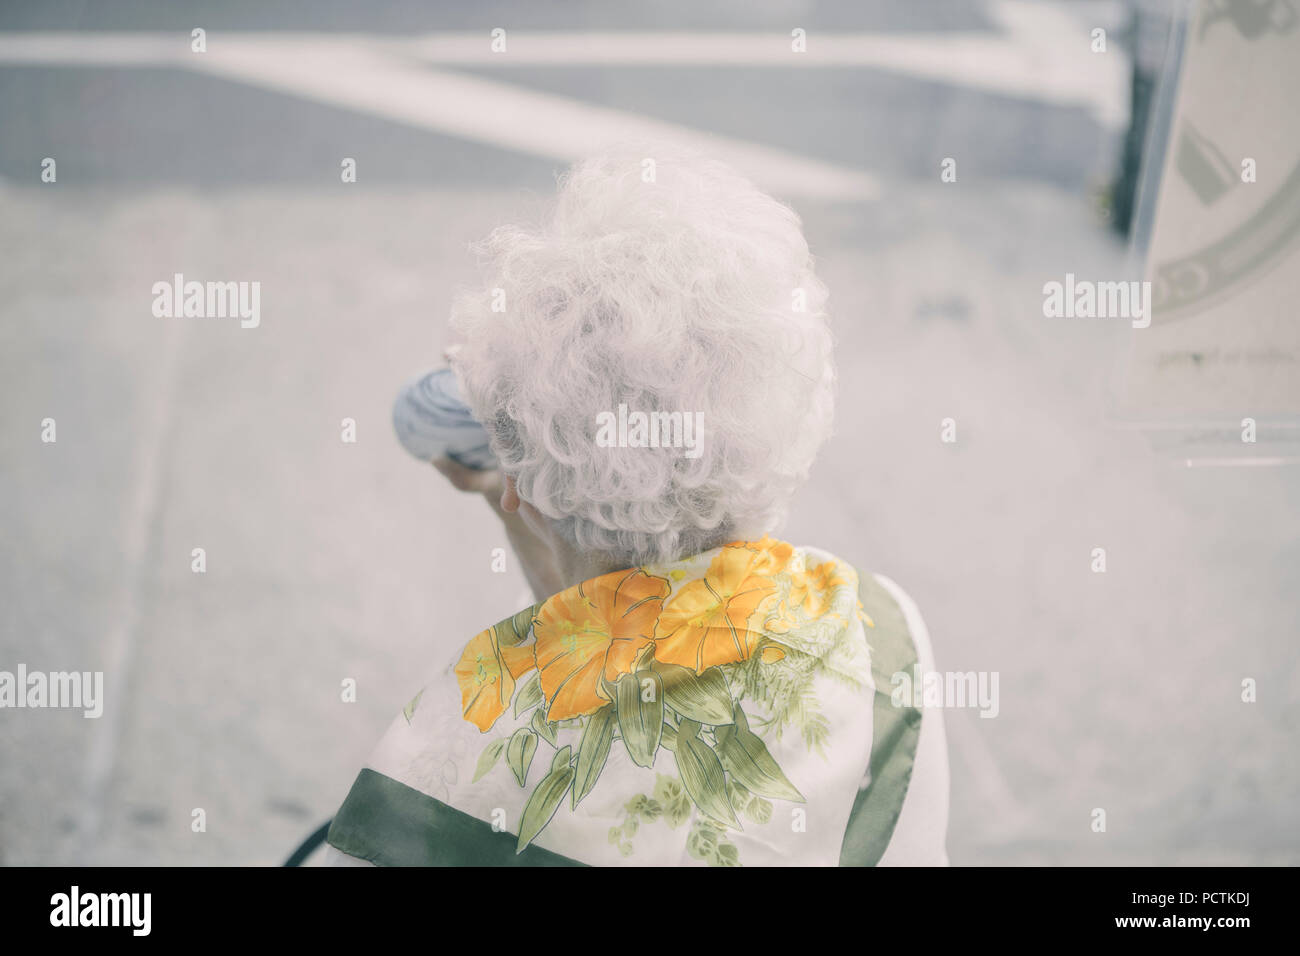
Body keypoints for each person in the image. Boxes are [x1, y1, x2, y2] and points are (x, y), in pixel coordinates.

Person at [325, 148, 949, 866]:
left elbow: (593, 638)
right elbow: (638, 614)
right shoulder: (883, 639)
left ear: (521, 485)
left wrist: (524, 489)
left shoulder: (431, 767)